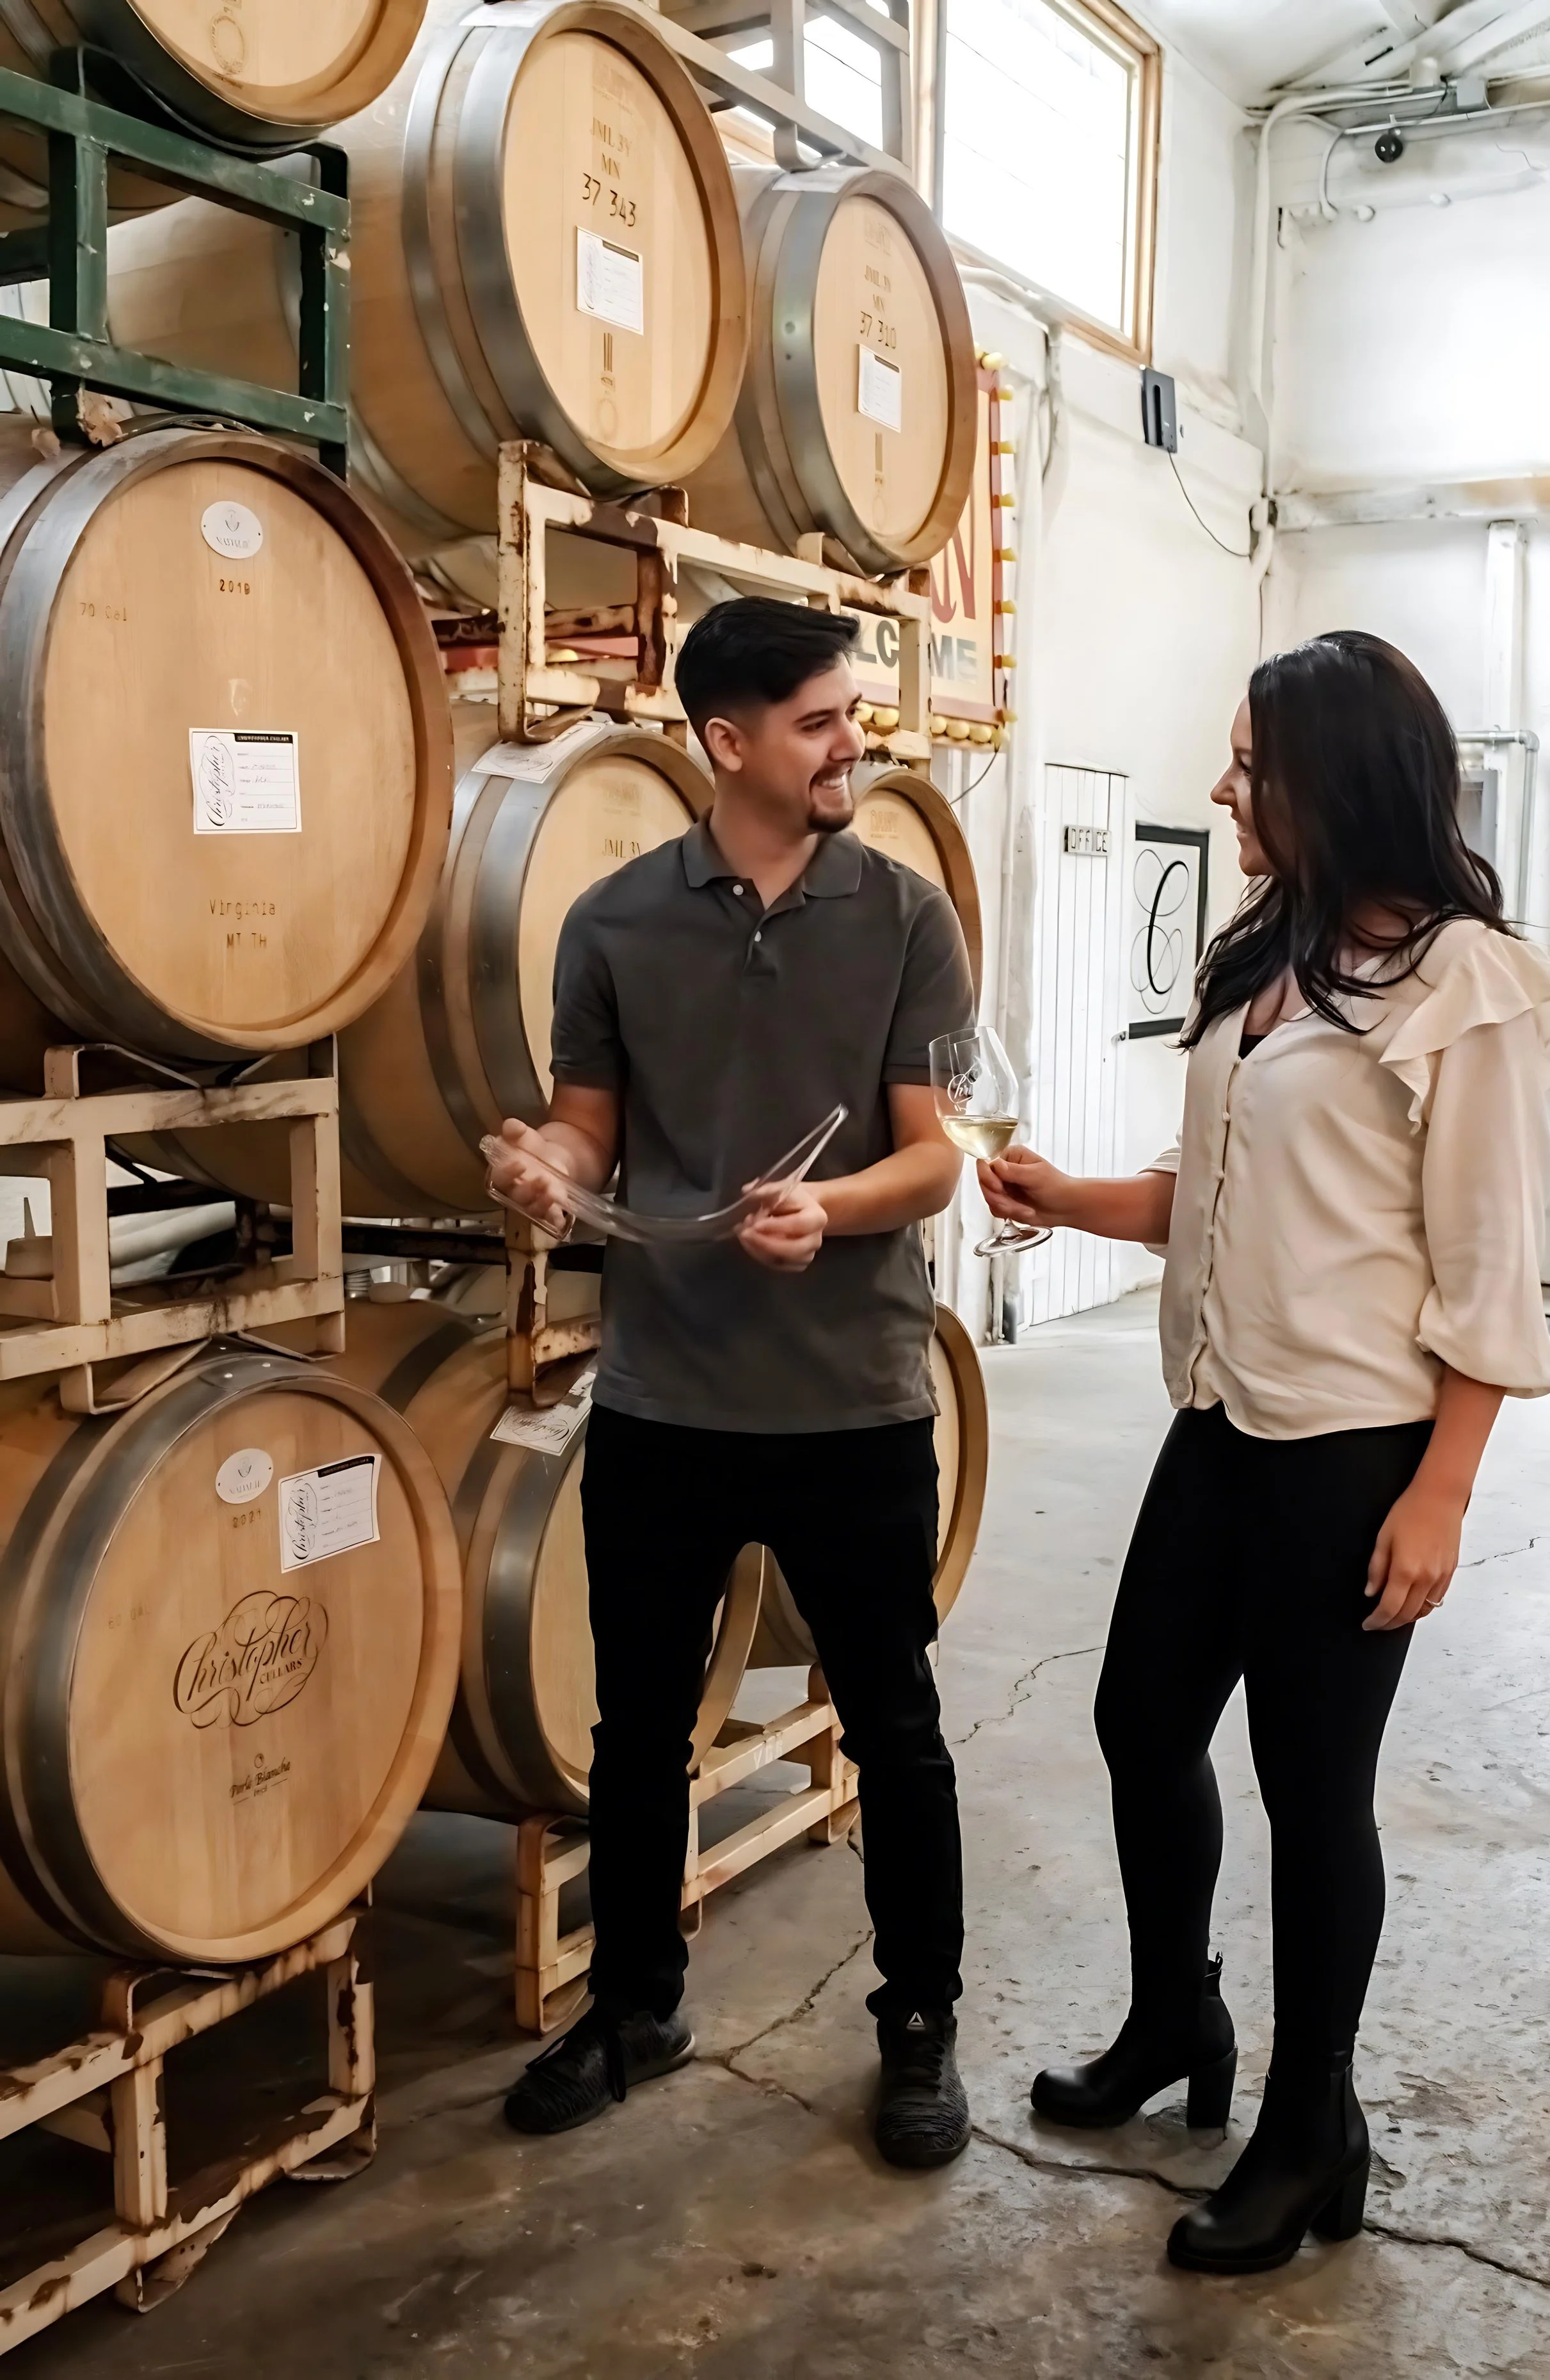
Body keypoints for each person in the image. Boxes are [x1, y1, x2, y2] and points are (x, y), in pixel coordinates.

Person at [980, 631, 1550, 2274]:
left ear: (1334, 774)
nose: (1223, 789)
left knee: (1315, 1797)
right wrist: (1066, 1198)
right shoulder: (1269, 952)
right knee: (1134, 1717)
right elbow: (1205, 1189)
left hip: (1352, 1449)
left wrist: (1440, 1489)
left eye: (1248, 765)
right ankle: (1175, 2018)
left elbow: (1486, 1268)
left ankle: (1312, 2130)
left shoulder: (1465, 985)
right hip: (1219, 1416)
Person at [486, 597, 975, 2168]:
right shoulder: (615, 920)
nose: (855, 744)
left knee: (892, 1725)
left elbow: (928, 1157)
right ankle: (636, 1998)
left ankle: (915, 2020)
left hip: (851, 1399)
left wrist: (828, 1208)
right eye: (823, 721)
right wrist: (542, 1167)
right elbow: (587, 1122)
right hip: (663, 1396)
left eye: (850, 715)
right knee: (638, 1729)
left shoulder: (902, 916)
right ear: (728, 741)